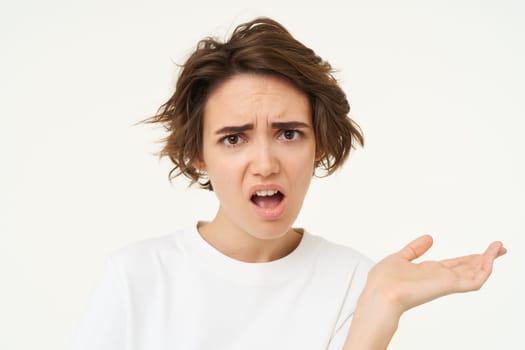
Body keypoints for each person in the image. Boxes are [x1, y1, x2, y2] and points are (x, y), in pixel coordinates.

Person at [71, 17, 506, 350]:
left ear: (319, 144)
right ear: (198, 154)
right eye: (234, 138)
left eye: (288, 133)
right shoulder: (136, 278)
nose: (265, 163)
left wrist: (383, 307)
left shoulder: (358, 282)